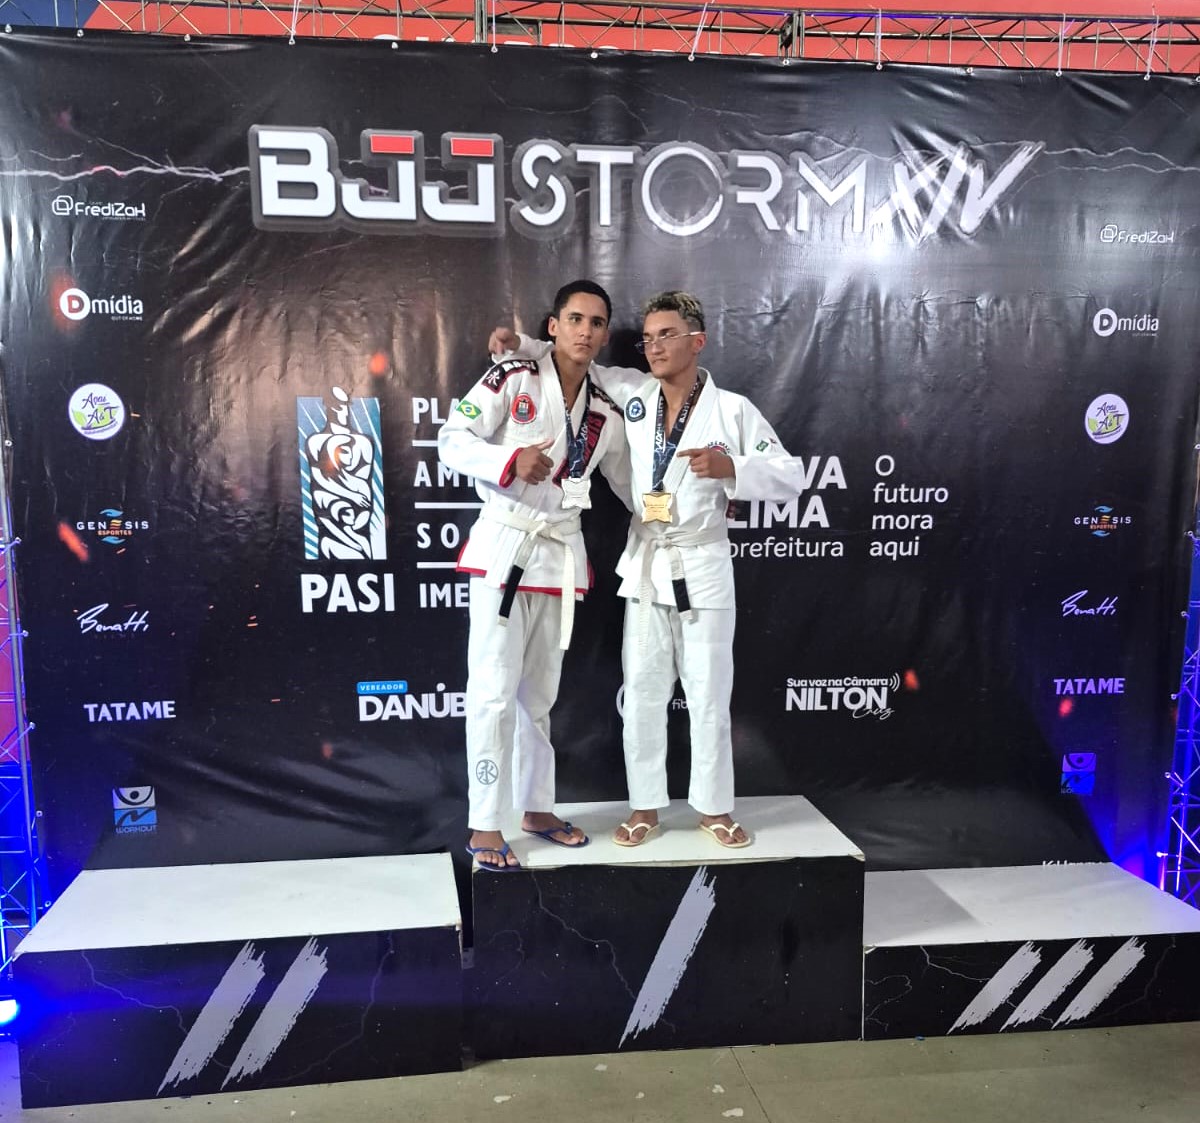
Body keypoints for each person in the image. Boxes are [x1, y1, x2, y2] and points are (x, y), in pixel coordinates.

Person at [489, 291, 804, 848]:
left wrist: (732, 466)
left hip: (702, 561)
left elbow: (790, 476)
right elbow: (576, 356)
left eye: (667, 336)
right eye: (648, 338)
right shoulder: (633, 393)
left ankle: (714, 808)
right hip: (647, 562)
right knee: (641, 693)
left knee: (709, 694)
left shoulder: (732, 410)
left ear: (697, 342)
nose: (654, 347)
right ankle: (645, 807)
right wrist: (522, 345)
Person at [439, 280, 631, 870]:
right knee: (492, 693)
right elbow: (451, 439)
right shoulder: (512, 377)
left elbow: (630, 485)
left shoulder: (604, 409)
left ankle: (536, 807)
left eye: (596, 323)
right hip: (505, 549)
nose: (585, 331)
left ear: (604, 334)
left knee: (539, 698)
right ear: (553, 326)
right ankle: (484, 823)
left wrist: (689, 512)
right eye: (575, 319)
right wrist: (508, 460)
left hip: (559, 557)